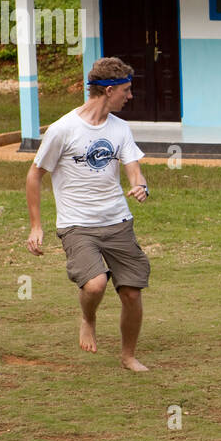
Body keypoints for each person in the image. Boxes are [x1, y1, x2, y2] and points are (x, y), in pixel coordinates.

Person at [26, 57, 152, 372]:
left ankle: (128, 355)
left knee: (132, 293)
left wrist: (141, 187)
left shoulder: (120, 128)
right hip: (77, 225)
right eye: (126, 90)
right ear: (108, 91)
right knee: (95, 285)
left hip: (117, 221)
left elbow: (134, 170)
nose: (130, 96)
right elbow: (34, 175)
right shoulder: (63, 129)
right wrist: (36, 226)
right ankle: (88, 317)